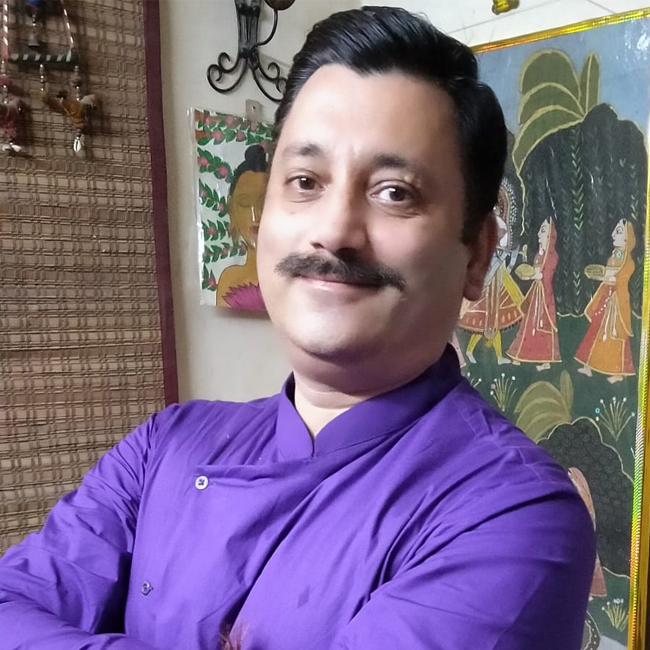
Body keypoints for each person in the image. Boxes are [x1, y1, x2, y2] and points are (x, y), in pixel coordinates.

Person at [0, 7, 595, 650]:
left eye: (395, 192)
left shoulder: (512, 515)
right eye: (305, 182)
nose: (334, 230)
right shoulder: (164, 446)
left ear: (476, 254)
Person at [459, 183, 524, 365]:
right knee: (483, 319)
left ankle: (498, 356)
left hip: (497, 273)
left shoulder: (499, 225)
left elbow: (504, 246)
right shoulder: (483, 225)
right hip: (487, 272)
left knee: (495, 319)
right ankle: (470, 351)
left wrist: (507, 255)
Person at [575, 218, 636, 383]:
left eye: (618, 232)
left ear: (627, 238)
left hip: (616, 303)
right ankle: (588, 365)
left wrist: (607, 277)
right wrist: (604, 275)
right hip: (606, 297)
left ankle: (619, 373)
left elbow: (619, 278)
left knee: (616, 335)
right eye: (615, 231)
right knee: (594, 329)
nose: (613, 235)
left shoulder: (628, 260)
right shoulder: (617, 254)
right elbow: (609, 272)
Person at [216, 144, 268, 310]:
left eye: (264, 203)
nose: (255, 216)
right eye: (244, 203)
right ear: (232, 208)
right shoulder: (229, 280)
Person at [507, 218, 561, 370]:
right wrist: (529, 274)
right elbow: (536, 272)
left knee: (543, 326)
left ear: (550, 235)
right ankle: (519, 354)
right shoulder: (539, 253)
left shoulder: (552, 256)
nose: (539, 234)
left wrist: (531, 275)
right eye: (540, 230)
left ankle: (546, 361)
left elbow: (544, 276)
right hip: (536, 292)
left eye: (543, 231)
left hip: (544, 295)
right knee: (528, 323)